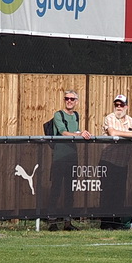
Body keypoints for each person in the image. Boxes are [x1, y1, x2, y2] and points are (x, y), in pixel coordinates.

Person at [48, 90, 92, 231]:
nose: (69, 101)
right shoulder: (58, 114)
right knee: (55, 189)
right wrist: (79, 135)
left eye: (72, 99)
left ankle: (68, 222)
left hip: (72, 157)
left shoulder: (76, 116)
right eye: (67, 98)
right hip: (59, 158)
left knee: (69, 190)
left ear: (76, 101)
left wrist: (83, 133)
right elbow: (63, 132)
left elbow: (76, 131)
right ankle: (51, 222)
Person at [99, 95, 132, 229]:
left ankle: (117, 221)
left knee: (119, 193)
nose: (119, 107)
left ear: (126, 106)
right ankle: (106, 223)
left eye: (121, 105)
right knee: (107, 193)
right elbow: (112, 132)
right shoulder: (110, 117)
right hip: (108, 161)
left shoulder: (130, 120)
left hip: (123, 163)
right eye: (116, 104)